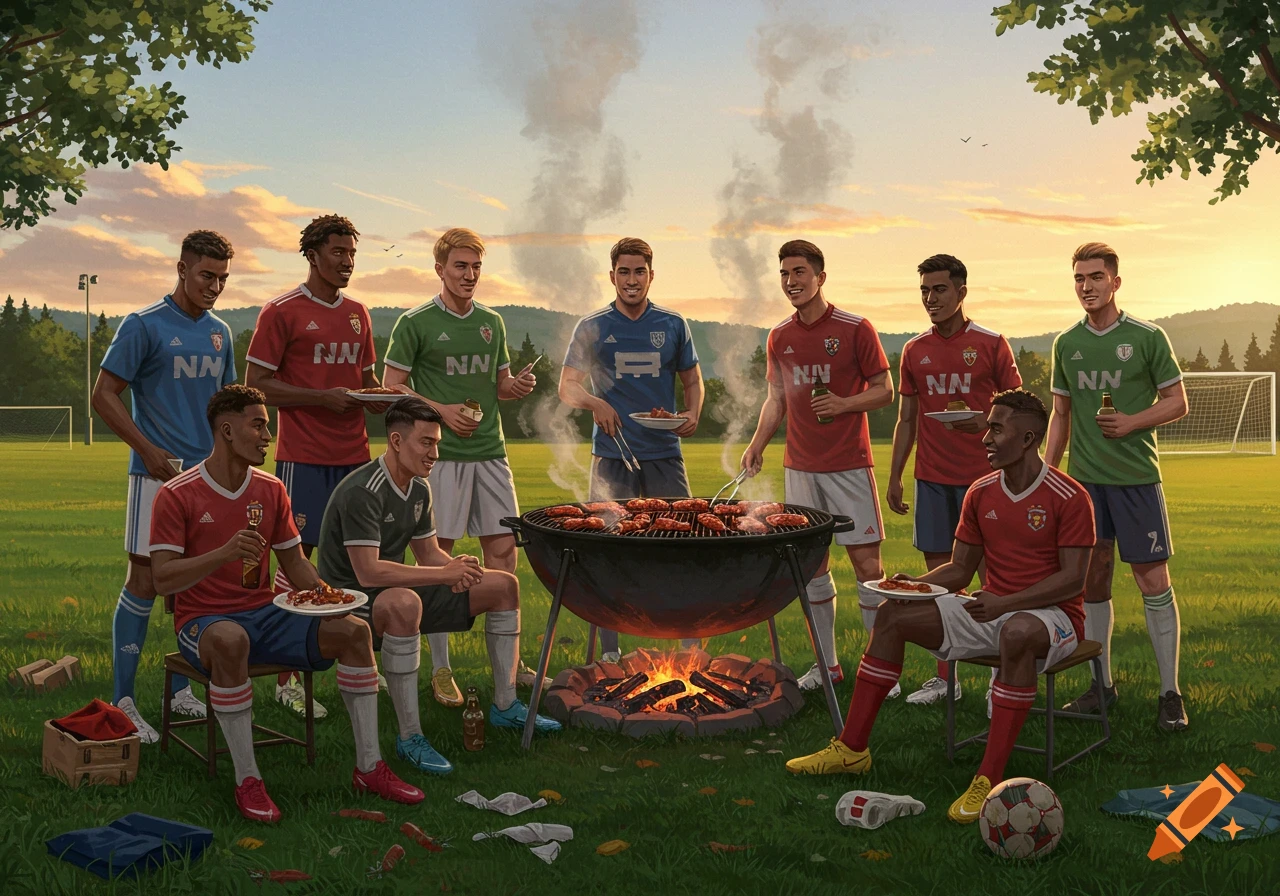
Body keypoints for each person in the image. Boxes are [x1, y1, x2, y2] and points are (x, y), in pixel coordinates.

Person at [785, 390, 1095, 824]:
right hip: (992, 607)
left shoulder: (1069, 495)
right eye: (987, 426)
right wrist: (908, 586)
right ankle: (852, 749)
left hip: (1054, 618)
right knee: (892, 616)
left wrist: (1006, 602)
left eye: (996, 428)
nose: (985, 437)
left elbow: (1072, 580)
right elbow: (960, 569)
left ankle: (988, 778)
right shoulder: (981, 492)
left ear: (1028, 439)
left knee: (1017, 632)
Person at [150, 385, 424, 823]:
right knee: (230, 639)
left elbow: (295, 563)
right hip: (204, 622)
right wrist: (223, 553)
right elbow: (162, 577)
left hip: (266, 614)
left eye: (267, 425)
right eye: (258, 424)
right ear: (226, 429)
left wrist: (328, 598)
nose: (267, 435)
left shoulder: (271, 488)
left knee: (354, 631)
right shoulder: (178, 494)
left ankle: (370, 768)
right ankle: (248, 780)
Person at [315, 396, 561, 771]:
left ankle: (506, 705)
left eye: (437, 443)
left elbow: (430, 555)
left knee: (503, 586)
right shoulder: (363, 490)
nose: (435, 453)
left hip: (392, 592)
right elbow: (368, 574)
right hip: (350, 602)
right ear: (396, 442)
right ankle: (410, 737)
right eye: (426, 442)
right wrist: (442, 575)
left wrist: (459, 570)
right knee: (403, 603)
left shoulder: (418, 489)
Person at [382, 228, 540, 704]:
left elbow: (501, 384)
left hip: (491, 451)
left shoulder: (493, 321)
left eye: (475, 267)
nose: (469, 275)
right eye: (460, 266)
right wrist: (441, 412)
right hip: (440, 457)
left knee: (503, 554)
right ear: (440, 269)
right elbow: (391, 387)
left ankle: (509, 669)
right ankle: (441, 668)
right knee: (439, 556)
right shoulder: (415, 322)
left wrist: (516, 387)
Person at [91, 230, 239, 740]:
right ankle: (123, 701)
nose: (214, 286)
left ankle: (180, 691)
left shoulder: (221, 332)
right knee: (146, 582)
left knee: (195, 583)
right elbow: (104, 393)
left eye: (222, 278)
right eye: (206, 276)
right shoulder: (143, 325)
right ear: (181, 269)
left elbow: (229, 408)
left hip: (208, 480)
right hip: (155, 477)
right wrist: (147, 450)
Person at [245, 214, 391, 720]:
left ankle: (366, 662)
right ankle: (287, 677)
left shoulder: (358, 312)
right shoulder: (280, 311)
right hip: (303, 458)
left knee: (358, 561)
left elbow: (365, 378)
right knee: (294, 563)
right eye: (338, 253)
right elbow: (256, 384)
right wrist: (318, 399)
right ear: (312, 254)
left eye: (352, 253)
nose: (347, 262)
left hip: (355, 458)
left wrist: (376, 398)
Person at [1045, 242, 1190, 731]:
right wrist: (1048, 472)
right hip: (1086, 486)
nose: (1087, 287)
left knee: (1152, 581)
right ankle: (1100, 686)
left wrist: (1131, 423)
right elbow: (1061, 415)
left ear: (1115, 282)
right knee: (1093, 581)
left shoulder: (1147, 337)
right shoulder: (1066, 343)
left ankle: (1170, 693)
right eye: (1079, 279)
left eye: (1096, 278)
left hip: (1136, 482)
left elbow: (1177, 402)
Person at [742, 240, 893, 691]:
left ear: (821, 277)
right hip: (800, 469)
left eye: (800, 272)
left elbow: (886, 390)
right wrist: (757, 444)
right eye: (785, 274)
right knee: (812, 567)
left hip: (849, 465)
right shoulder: (779, 336)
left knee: (868, 567)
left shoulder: (854, 328)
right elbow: (776, 400)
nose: (792, 281)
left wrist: (845, 403)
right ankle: (826, 666)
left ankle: (878, 671)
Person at [559, 236, 705, 660]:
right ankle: (609, 652)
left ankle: (688, 645)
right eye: (623, 271)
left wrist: (691, 413)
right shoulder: (593, 326)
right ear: (611, 276)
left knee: (681, 547)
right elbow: (567, 386)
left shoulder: (673, 324)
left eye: (639, 271)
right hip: (612, 455)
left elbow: (693, 381)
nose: (631, 279)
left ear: (651, 275)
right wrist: (594, 401)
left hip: (664, 452)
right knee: (608, 551)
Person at [888, 254, 1022, 710]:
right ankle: (947, 678)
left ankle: (1002, 678)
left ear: (962, 292)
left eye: (940, 290)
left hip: (985, 481)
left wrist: (984, 423)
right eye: (924, 290)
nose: (931, 299)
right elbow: (907, 417)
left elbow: (1019, 410)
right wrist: (896, 475)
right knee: (939, 580)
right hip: (932, 480)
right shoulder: (913, 350)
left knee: (994, 580)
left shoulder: (990, 342)